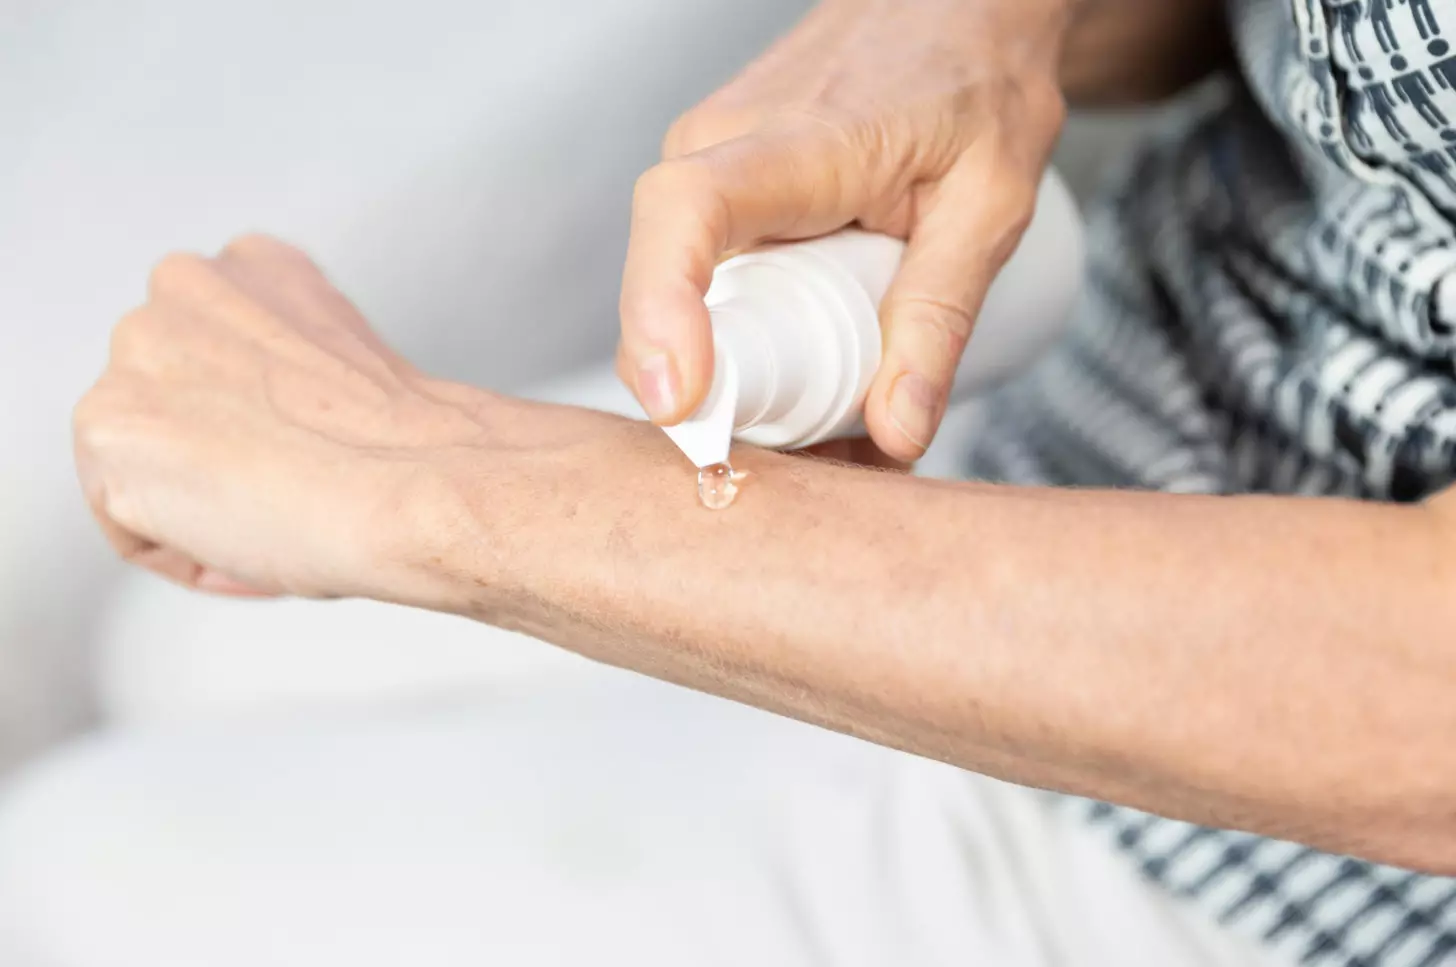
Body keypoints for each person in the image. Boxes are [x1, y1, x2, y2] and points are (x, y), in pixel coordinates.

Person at [7, 0, 1455, 964]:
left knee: (68, 874)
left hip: (1288, 848)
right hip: (1152, 375)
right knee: (189, 638)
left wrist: (437, 491)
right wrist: (987, 23)